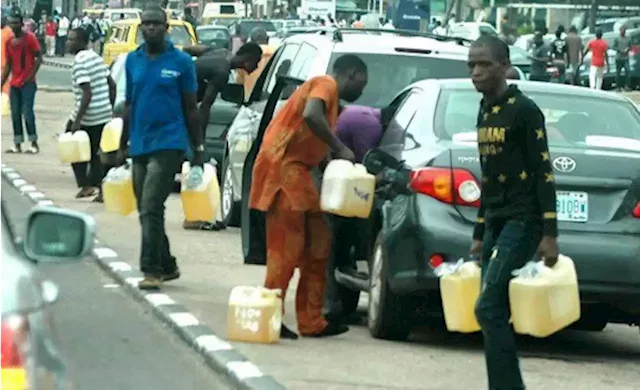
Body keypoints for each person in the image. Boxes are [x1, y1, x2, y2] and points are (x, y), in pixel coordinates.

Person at [248, 54, 368, 339]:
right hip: (283, 171)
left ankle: (312, 320)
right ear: (350, 74)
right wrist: (339, 147)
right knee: (286, 249)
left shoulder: (334, 106)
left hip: (301, 175)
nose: (362, 92)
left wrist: (335, 163)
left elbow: (315, 138)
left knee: (319, 244)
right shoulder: (325, 84)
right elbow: (311, 115)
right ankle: (271, 316)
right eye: (361, 84)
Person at [468, 35, 559, 390]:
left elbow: (544, 173)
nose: (476, 72)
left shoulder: (524, 110)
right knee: (492, 311)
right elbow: (488, 177)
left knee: (487, 307)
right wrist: (478, 234)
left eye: (485, 64)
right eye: (471, 65)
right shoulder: (484, 109)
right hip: (495, 218)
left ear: (505, 66)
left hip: (524, 220)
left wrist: (550, 235)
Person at [117, 5, 203, 290]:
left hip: (170, 141)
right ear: (141, 28)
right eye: (147, 24)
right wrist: (121, 144)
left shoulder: (181, 62)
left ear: (166, 28)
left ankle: (151, 269)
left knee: (152, 204)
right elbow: (129, 104)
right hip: (140, 141)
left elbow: (191, 107)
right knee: (146, 208)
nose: (151, 28)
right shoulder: (133, 61)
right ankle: (168, 264)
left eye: (156, 24)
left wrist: (198, 147)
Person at [178, 41, 261, 231]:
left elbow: (189, 49)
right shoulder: (223, 72)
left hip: (176, 100)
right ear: (246, 58)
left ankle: (194, 213)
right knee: (195, 162)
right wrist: (200, 140)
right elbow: (205, 106)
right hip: (180, 107)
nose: (255, 67)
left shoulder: (220, 52)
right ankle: (194, 216)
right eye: (255, 62)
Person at [66, 27, 116, 201]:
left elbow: (87, 93)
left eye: (72, 39)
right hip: (103, 114)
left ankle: (86, 185)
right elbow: (112, 84)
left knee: (72, 146)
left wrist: (78, 120)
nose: (68, 42)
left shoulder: (79, 62)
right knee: (97, 154)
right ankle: (101, 190)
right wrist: (109, 108)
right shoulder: (96, 56)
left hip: (88, 116)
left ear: (82, 42)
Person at [1, 8, 42, 154]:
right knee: (15, 114)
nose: (14, 26)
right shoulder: (9, 42)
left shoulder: (29, 38)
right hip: (15, 84)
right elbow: (8, 65)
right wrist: (1, 83)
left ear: (21, 24)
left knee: (27, 113)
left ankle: (33, 143)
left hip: (28, 83)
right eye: (11, 23)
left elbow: (39, 57)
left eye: (16, 23)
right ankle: (17, 144)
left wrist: (31, 76)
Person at [236, 27, 274, 100]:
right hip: (274, 102)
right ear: (268, 39)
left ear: (252, 41)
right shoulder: (278, 53)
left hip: (251, 102)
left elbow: (239, 84)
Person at [613, 26, 631, 91]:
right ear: (620, 30)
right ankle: (618, 87)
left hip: (626, 58)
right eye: (622, 30)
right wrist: (620, 50)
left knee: (628, 72)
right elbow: (614, 47)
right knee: (618, 73)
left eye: (624, 30)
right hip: (619, 58)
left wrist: (628, 49)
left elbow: (631, 46)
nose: (623, 31)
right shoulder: (617, 38)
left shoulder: (628, 38)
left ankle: (627, 86)